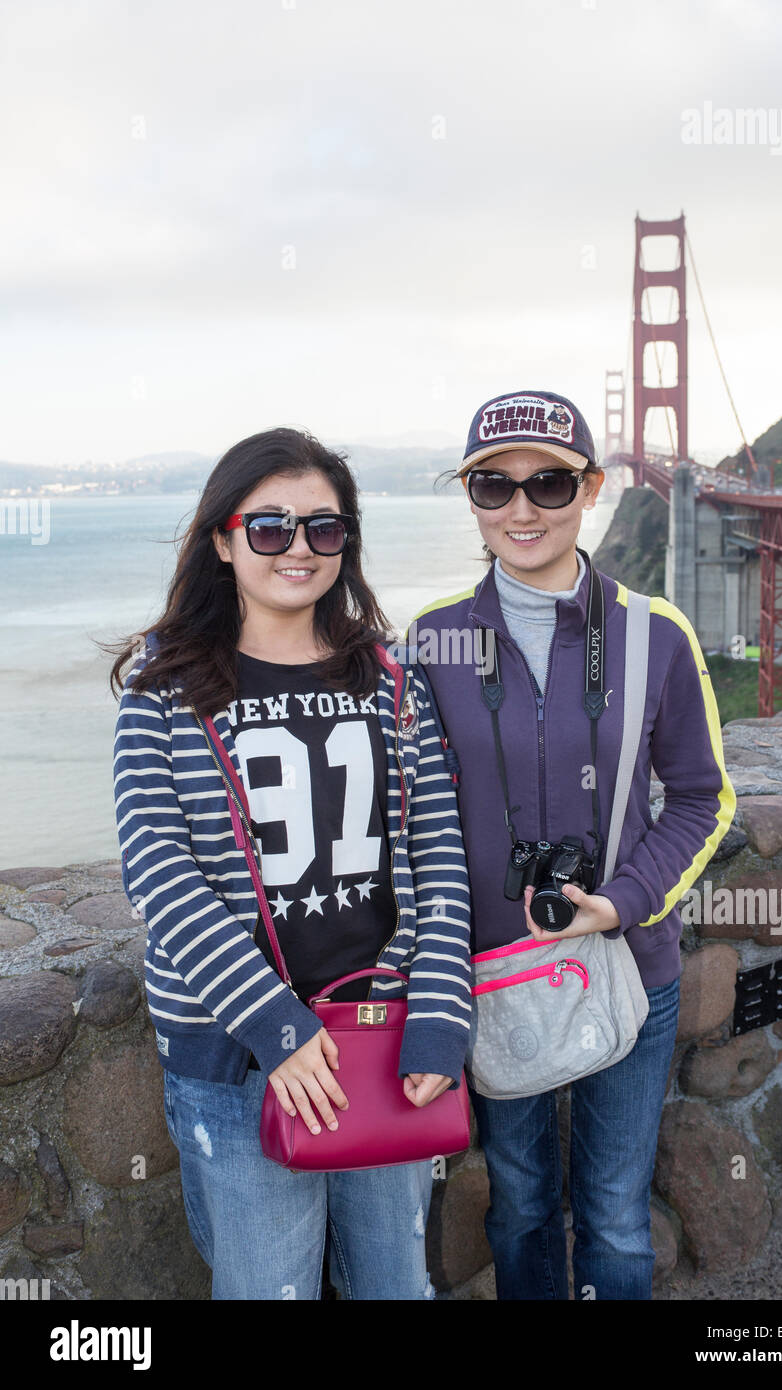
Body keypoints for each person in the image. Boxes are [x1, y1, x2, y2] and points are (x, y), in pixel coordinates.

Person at [110, 426, 472, 1300]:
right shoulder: (164, 691)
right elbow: (159, 873)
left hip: (383, 1043)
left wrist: (440, 1014)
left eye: (325, 527)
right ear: (225, 540)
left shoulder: (389, 678)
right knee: (267, 1288)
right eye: (270, 528)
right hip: (238, 1060)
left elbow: (438, 852)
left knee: (396, 1284)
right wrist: (277, 1028)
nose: (299, 548)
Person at [408, 389, 735, 1300]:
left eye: (550, 483)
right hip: (493, 973)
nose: (522, 509)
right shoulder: (431, 643)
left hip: (631, 962)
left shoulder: (656, 636)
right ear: (470, 498)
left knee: (617, 1213)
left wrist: (623, 899)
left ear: (591, 489)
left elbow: (703, 801)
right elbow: (411, 817)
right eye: (492, 486)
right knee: (516, 1204)